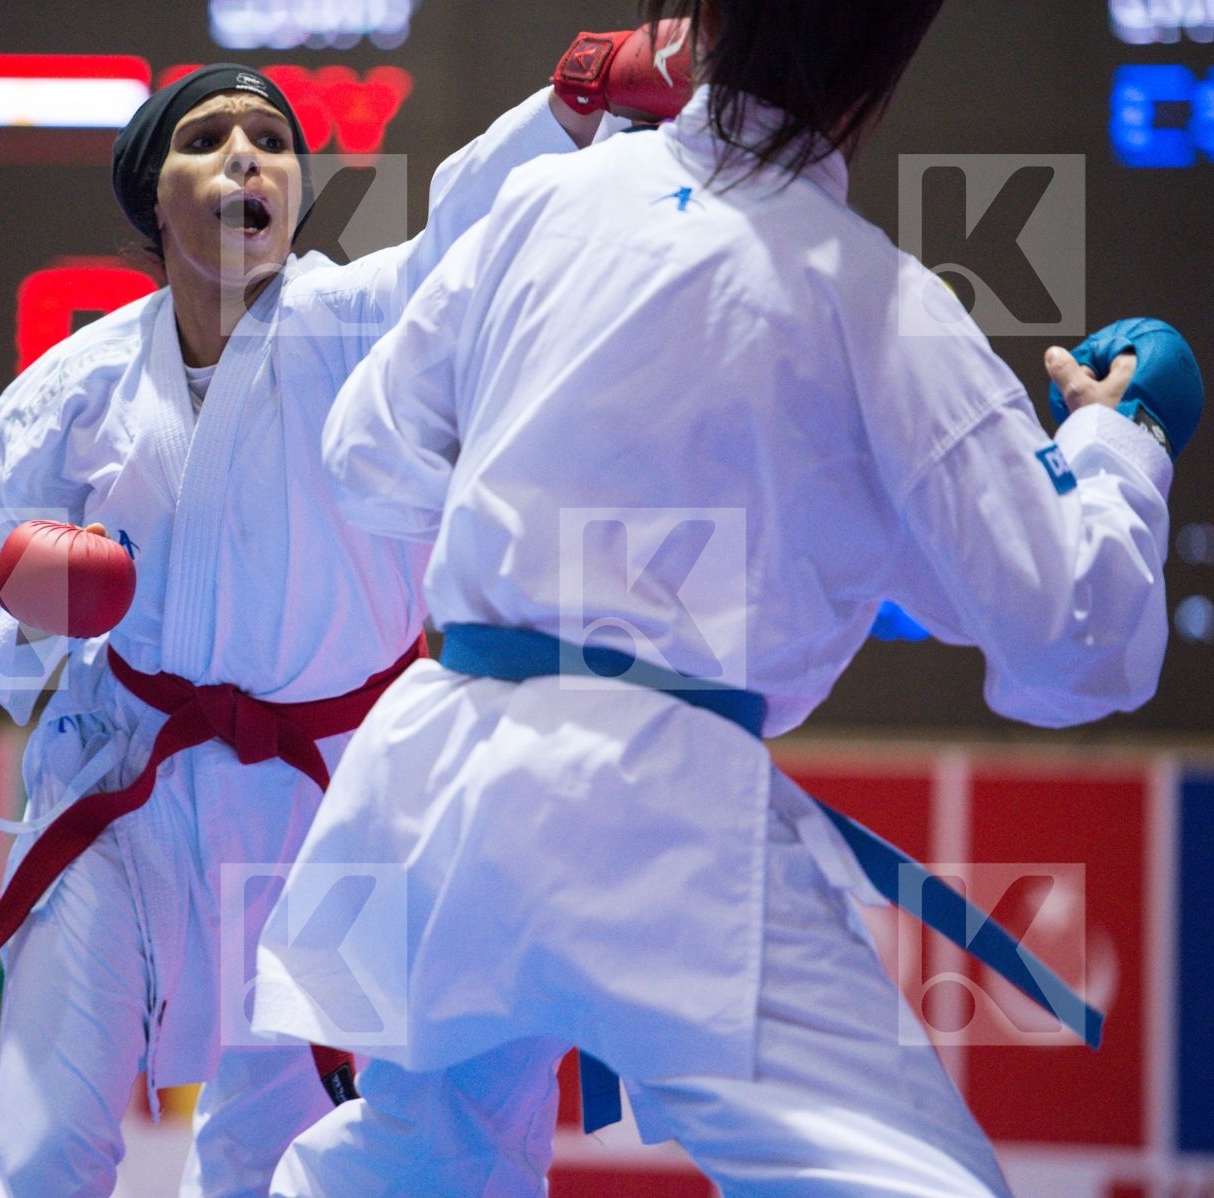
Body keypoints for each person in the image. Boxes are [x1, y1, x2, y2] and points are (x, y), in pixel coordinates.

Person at [253, 3, 1195, 1195]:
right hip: (649, 813)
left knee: (408, 1161)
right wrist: (1123, 448)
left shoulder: (548, 204)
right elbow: (1079, 639)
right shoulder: (880, 306)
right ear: (879, 76)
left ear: (695, 26)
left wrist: (551, 493)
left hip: (437, 774)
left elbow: (364, 455)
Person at [0, 51, 638, 1198]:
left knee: (270, 1154)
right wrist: (30, 598)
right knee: (48, 1137)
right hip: (125, 791)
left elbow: (465, 226)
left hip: (332, 802)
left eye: (269, 140)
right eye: (205, 139)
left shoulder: (359, 320)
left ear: (297, 196)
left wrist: (568, 108)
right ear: (151, 201)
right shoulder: (82, 385)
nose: (244, 155)